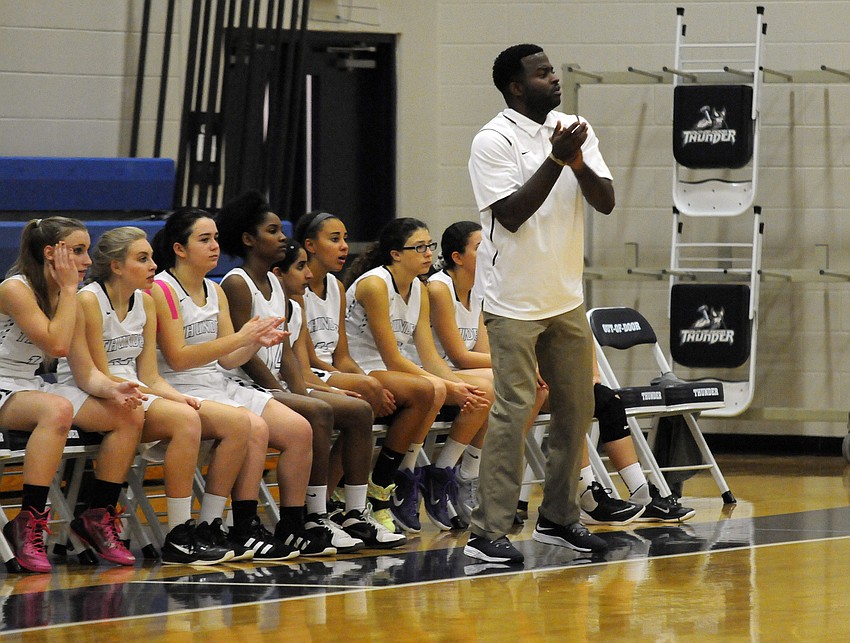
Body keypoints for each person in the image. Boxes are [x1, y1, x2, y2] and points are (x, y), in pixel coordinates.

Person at [464, 43, 616, 564]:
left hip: (565, 295)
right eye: (542, 73)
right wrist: (557, 160)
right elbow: (511, 214)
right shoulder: (492, 140)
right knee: (512, 411)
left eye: (552, 71)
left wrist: (576, 161)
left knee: (578, 406)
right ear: (515, 86)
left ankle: (559, 517)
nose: (555, 79)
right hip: (512, 300)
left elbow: (606, 200)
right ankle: (488, 531)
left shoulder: (574, 127)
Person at [216, 191, 404, 549]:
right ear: (248, 239)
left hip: (272, 386)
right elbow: (247, 355)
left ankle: (351, 512)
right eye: (272, 230)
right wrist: (286, 393)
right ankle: (308, 516)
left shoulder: (277, 286)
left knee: (359, 410)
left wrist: (300, 389)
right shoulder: (237, 282)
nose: (282, 237)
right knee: (317, 413)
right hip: (240, 384)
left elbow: (285, 351)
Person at [62, 226, 255, 564]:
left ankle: (207, 526)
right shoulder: (89, 300)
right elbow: (98, 373)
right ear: (116, 266)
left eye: (151, 257)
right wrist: (164, 400)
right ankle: (178, 535)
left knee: (232, 422)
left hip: (135, 391)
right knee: (185, 421)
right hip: (92, 391)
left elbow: (149, 375)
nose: (153, 265)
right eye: (142, 258)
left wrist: (174, 396)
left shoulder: (146, 303)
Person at [150, 207, 323, 560]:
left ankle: (291, 525)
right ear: (180, 249)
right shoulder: (162, 289)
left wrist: (255, 340)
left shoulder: (214, 290)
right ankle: (221, 524)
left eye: (215, 238)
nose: (215, 246)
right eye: (204, 239)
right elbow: (179, 358)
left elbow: (228, 359)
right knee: (252, 426)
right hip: (178, 386)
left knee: (298, 431)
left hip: (216, 381)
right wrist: (240, 338)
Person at [0, 217, 145, 572]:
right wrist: (68, 291)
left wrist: (114, 388)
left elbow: (84, 371)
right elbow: (57, 344)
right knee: (57, 410)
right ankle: (27, 521)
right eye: (78, 251)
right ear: (51, 253)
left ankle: (97, 516)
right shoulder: (15, 288)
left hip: (27, 386)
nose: (86, 261)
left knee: (127, 414)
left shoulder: (69, 297)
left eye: (86, 250)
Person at [293, 211, 438, 534]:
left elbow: (342, 357)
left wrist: (365, 383)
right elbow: (311, 360)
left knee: (406, 392)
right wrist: (365, 385)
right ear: (309, 245)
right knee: (388, 394)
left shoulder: (335, 286)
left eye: (345, 239)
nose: (344, 246)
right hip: (309, 374)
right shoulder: (295, 288)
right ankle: (332, 503)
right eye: (335, 239)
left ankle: (348, 498)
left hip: (334, 370)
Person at [344, 217, 490, 533]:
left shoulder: (420, 290)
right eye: (419, 247)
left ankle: (437, 475)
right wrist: (443, 383)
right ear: (396, 254)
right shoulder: (374, 284)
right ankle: (386, 485)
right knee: (433, 390)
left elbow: (429, 357)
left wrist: (456, 384)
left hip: (396, 370)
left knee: (478, 394)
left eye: (429, 246)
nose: (427, 254)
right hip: (358, 369)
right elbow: (391, 357)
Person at [428, 220, 549, 526]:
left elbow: (483, 351)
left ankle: (480, 473)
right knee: (495, 386)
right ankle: (443, 473)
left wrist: (522, 367)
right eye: (481, 247)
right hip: (432, 370)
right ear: (457, 257)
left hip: (463, 371)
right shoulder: (438, 288)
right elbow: (460, 356)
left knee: (537, 388)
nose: (490, 253)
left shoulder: (478, 288)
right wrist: (514, 366)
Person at [579, 356, 696, 524]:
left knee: (611, 403)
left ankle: (642, 494)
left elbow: (585, 334)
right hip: (545, 382)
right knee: (573, 406)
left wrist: (594, 373)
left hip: (568, 379)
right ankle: (588, 499)